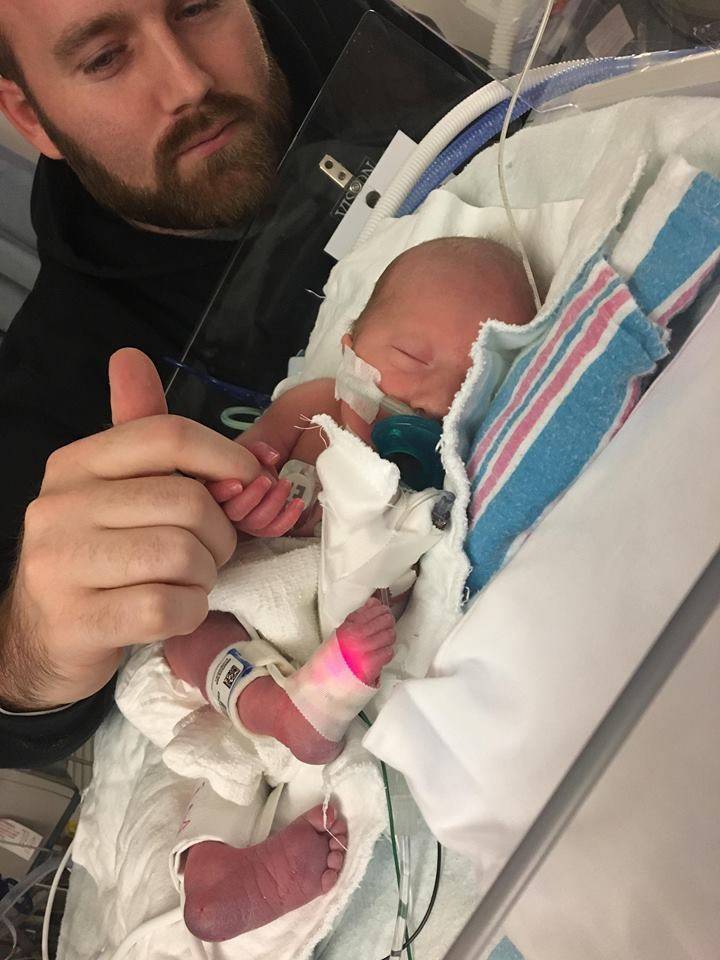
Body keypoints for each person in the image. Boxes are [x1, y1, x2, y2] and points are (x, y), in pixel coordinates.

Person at [0, 0, 375, 768]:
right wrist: (37, 646)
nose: (189, 82)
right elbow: (18, 715)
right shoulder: (56, 377)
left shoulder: (350, 43)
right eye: (105, 57)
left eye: (198, 6)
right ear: (32, 118)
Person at [153, 236, 535, 942]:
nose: (432, 396)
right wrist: (249, 501)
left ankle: (234, 846)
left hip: (346, 635)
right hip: (254, 622)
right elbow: (237, 477)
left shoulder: (451, 455)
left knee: (239, 773)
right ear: (352, 344)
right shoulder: (314, 404)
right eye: (413, 357)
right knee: (186, 632)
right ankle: (255, 770)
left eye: (470, 379)